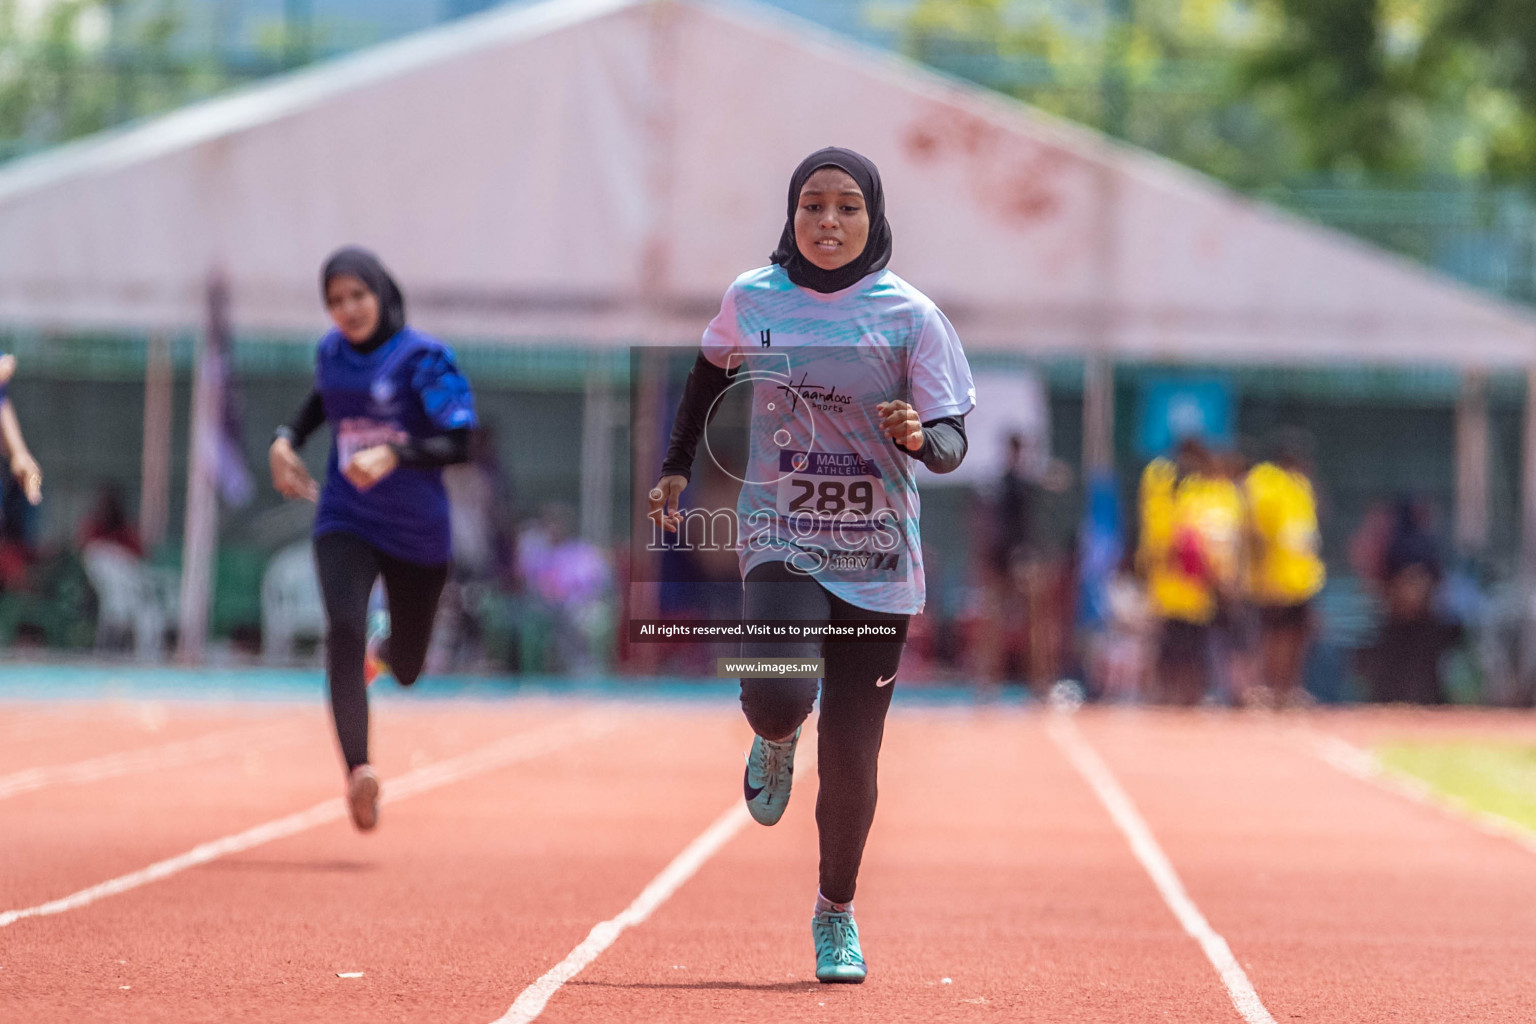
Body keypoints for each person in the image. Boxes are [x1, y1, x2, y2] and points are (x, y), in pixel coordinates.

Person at [649, 147, 974, 983]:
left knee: (856, 759)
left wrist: (917, 435)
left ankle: (836, 913)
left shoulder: (911, 317)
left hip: (877, 554)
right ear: (792, 214)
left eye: (847, 207)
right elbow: (705, 372)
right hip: (779, 537)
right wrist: (677, 466)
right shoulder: (753, 297)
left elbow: (949, 442)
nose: (829, 222)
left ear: (874, 217)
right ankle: (774, 733)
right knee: (778, 691)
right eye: (813, 206)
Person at [268, 247, 477, 832]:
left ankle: (381, 656)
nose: (347, 309)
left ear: (382, 294)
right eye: (334, 301)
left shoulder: (424, 359)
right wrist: (285, 441)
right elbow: (322, 401)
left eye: (356, 296)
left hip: (417, 534)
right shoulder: (331, 353)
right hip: (346, 518)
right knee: (341, 627)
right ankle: (359, 771)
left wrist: (396, 453)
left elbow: (460, 443)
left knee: (407, 667)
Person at [1244, 433, 1325, 706]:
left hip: (1300, 579)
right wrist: (1259, 574)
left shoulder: (1300, 485)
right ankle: (1267, 688)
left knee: (1298, 636)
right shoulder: (1265, 482)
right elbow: (1256, 533)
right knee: (1272, 637)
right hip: (1274, 579)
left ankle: (1289, 690)